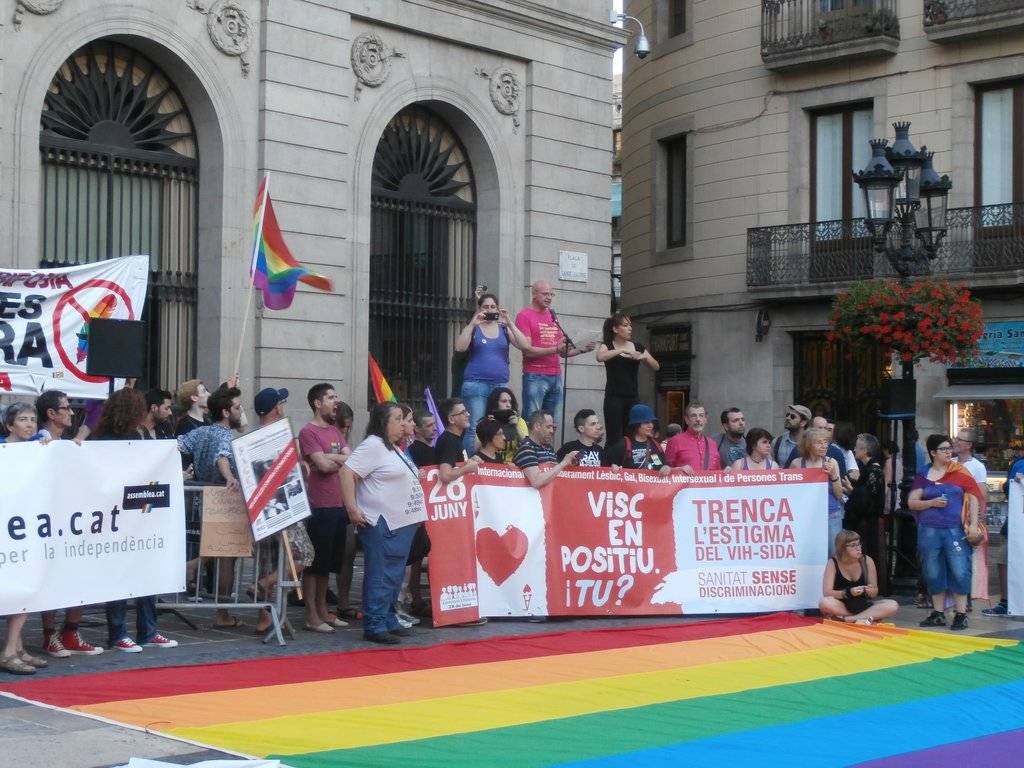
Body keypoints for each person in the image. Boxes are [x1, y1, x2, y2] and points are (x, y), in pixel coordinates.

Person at [94, 389, 178, 652]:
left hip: (139, 512)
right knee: (121, 574)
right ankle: (118, 632)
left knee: (146, 572)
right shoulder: (107, 439)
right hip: (118, 515)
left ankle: (147, 630)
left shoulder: (133, 435)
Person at [341, 402, 428, 644]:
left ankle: (388, 618)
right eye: (398, 419)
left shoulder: (393, 448)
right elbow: (347, 472)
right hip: (382, 523)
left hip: (400, 523)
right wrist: (352, 508)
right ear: (383, 422)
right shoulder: (373, 445)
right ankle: (375, 623)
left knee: (393, 574)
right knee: (381, 574)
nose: (403, 424)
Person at [35, 392, 105, 658]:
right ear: (51, 414)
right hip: (49, 522)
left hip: (74, 519)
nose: (71, 413)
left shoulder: (69, 442)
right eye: (65, 408)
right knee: (52, 577)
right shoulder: (38, 442)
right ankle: (49, 634)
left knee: (79, 574)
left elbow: (96, 409)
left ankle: (71, 631)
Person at [176, 386, 245, 628]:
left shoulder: (201, 432)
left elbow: (177, 446)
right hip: (224, 499)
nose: (241, 411)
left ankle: (194, 566)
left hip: (200, 500)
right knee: (227, 556)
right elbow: (222, 456)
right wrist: (229, 478)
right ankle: (222, 612)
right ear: (226, 412)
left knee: (217, 551)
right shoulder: (225, 436)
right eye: (237, 407)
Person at [909, 434, 984, 631]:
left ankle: (960, 614)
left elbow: (974, 497)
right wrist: (931, 503)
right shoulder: (923, 474)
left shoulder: (960, 471)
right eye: (943, 449)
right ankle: (938, 612)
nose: (948, 452)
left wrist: (974, 524)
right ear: (933, 452)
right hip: (929, 529)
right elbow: (912, 502)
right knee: (933, 571)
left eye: (949, 448)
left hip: (955, 529)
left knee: (960, 569)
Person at [1, 404, 50, 675]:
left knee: (26, 588)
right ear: (10, 426)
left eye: (33, 419)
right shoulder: (3, 449)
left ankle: (16, 649)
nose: (29, 424)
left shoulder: (35, 447)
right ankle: (10, 651)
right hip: (7, 528)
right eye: (22, 420)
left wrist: (44, 436)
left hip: (25, 528)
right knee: (17, 589)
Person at [297, 383, 350, 633]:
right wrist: (332, 460)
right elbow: (323, 465)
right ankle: (311, 614)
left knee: (329, 563)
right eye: (330, 397)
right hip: (319, 505)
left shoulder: (335, 432)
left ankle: (323, 610)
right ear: (318, 403)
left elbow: (350, 459)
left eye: (336, 397)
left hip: (338, 504)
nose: (335, 401)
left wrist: (331, 459)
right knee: (314, 563)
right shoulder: (308, 432)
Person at [455, 292, 537, 452]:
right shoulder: (474, 328)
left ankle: (493, 461)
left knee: (498, 425)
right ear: (479, 309)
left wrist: (510, 322)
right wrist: (473, 323)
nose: (489, 309)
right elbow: (460, 347)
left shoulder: (504, 328)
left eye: (493, 307)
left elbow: (524, 345)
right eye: (485, 307)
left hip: (499, 385)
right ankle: (471, 464)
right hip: (476, 384)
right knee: (474, 426)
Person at [515, 280, 595, 421]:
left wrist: (583, 349)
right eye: (545, 294)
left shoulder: (552, 315)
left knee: (552, 424)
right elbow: (527, 350)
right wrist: (555, 349)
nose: (549, 297)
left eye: (552, 294)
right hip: (535, 375)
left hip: (556, 375)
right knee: (532, 422)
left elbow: (562, 352)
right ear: (534, 294)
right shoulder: (524, 316)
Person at [595, 313, 659, 445]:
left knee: (632, 432)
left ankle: (630, 462)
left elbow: (656, 366)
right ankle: (612, 463)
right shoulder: (607, 345)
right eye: (625, 325)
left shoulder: (637, 346)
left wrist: (644, 357)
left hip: (633, 397)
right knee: (614, 435)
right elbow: (600, 357)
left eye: (630, 325)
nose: (630, 328)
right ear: (615, 329)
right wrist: (622, 350)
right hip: (614, 397)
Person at [818, 529, 898, 624]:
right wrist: (848, 593)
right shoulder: (833, 562)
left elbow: (874, 591)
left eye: (859, 544)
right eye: (853, 545)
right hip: (842, 604)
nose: (858, 548)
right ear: (842, 548)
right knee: (824, 602)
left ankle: (849, 619)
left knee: (893, 605)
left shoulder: (867, 561)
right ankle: (864, 617)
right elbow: (827, 592)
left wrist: (871, 591)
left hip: (863, 604)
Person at [789, 426, 845, 558]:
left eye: (826, 442)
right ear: (808, 445)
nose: (824, 445)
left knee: (833, 554)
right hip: (807, 517)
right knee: (809, 555)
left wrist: (834, 476)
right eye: (819, 442)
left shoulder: (832, 462)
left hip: (831, 515)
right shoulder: (796, 464)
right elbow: (790, 492)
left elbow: (839, 494)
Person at [845, 433, 886, 590]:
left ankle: (872, 584)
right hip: (865, 521)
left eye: (857, 447)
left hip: (869, 523)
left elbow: (868, 499)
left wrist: (852, 492)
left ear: (864, 450)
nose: (854, 449)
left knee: (868, 553)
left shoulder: (874, 470)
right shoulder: (867, 469)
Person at [983, 453, 1019, 617]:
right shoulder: (1018, 464)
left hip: (1016, 523)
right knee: (1004, 559)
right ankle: (1005, 602)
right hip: (1016, 524)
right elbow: (1010, 489)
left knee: (1004, 559)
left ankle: (1006, 602)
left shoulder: (1018, 464)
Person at [514, 410, 577, 488]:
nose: (552, 431)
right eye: (548, 427)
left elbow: (553, 474)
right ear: (537, 426)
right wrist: (564, 463)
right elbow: (536, 481)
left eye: (553, 427)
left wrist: (568, 464)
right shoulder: (526, 448)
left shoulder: (548, 448)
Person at [602, 404, 670, 473]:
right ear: (636, 424)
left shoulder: (656, 445)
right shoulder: (623, 445)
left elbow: (663, 465)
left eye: (652, 422)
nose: (651, 425)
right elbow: (604, 469)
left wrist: (666, 468)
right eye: (646, 422)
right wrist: (613, 467)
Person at [665, 402, 720, 474]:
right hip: (684, 485)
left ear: (705, 419)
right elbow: (665, 471)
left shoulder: (712, 444)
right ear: (686, 420)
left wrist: (727, 473)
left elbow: (718, 471)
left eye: (701, 416)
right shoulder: (675, 441)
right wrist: (677, 470)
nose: (698, 419)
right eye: (693, 416)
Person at [435, 398, 481, 483]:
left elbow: (455, 464)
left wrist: (470, 461)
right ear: (451, 419)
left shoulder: (454, 438)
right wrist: (467, 468)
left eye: (466, 411)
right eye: (463, 412)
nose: (468, 414)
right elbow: (445, 475)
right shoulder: (449, 441)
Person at [485, 386, 528, 463]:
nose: (508, 405)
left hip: (513, 467)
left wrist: (516, 427)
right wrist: (489, 427)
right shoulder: (487, 421)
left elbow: (527, 447)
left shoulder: (519, 421)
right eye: (504, 401)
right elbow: (476, 449)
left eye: (510, 402)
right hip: (491, 466)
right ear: (495, 403)